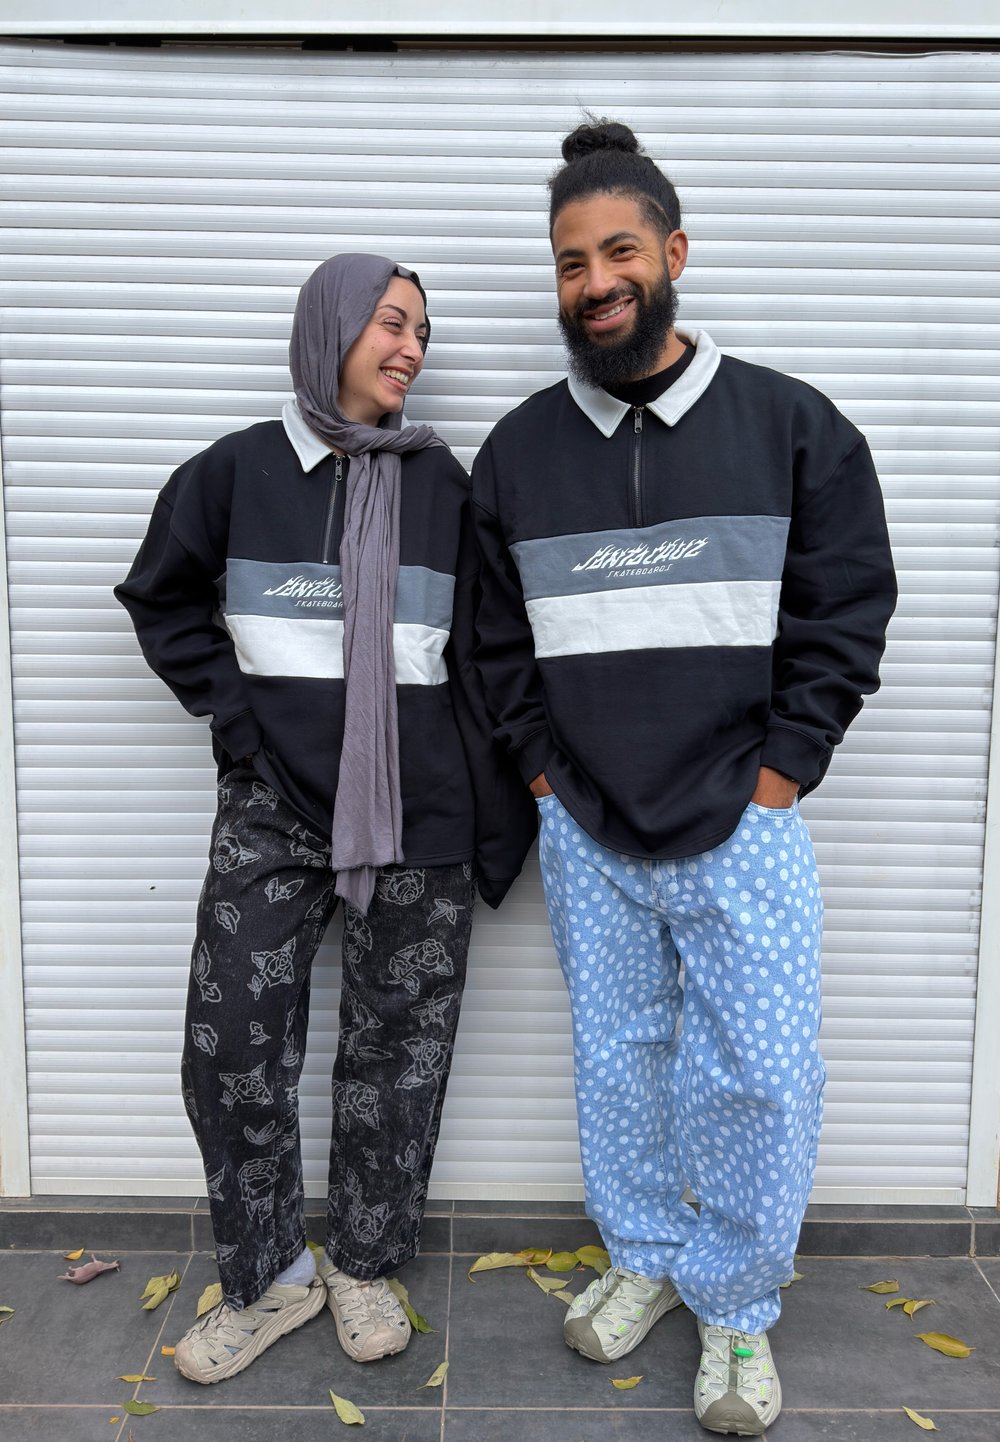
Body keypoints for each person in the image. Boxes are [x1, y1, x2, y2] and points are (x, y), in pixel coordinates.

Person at [471, 121, 896, 1436]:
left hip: (742, 818)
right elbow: (493, 638)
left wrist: (783, 771)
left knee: (759, 1075)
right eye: (567, 261)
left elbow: (846, 611)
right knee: (621, 1060)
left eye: (616, 250)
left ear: (672, 252)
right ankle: (649, 1254)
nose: (593, 280)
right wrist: (544, 774)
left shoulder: (791, 425)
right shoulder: (521, 451)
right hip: (590, 824)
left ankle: (738, 1305)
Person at [116, 253, 534, 1385]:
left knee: (397, 1058)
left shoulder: (449, 487)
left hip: (422, 815)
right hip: (273, 809)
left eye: (421, 333)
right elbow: (160, 594)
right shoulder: (238, 472)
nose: (410, 348)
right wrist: (239, 721)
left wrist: (507, 808)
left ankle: (362, 1259)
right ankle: (266, 1278)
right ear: (330, 327)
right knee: (235, 1049)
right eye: (390, 324)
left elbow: (490, 658)